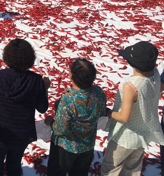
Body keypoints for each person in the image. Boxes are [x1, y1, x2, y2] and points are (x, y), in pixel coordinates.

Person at [0, 39, 50, 176]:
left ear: (7, 57)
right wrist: (44, 89)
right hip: (22, 134)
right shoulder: (36, 80)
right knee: (14, 165)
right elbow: (42, 108)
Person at [100, 42, 164, 176]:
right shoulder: (156, 74)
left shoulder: (131, 86)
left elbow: (124, 117)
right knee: (133, 169)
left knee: (111, 168)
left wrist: (108, 112)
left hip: (125, 137)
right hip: (143, 134)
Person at [45, 58, 107, 176]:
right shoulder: (98, 92)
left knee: (57, 172)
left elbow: (60, 130)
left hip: (66, 148)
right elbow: (102, 111)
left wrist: (51, 122)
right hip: (87, 146)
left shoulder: (68, 100)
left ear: (72, 76)